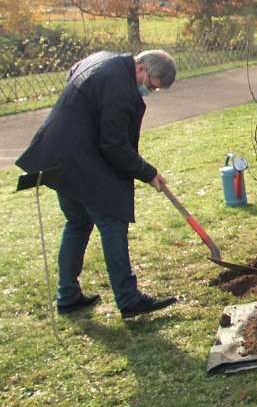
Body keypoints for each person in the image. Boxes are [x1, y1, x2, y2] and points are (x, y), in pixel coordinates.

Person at [16, 50, 178, 319]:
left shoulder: (103, 59)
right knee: (113, 222)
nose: (147, 91)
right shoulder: (121, 90)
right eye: (150, 86)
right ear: (141, 68)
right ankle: (129, 299)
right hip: (80, 161)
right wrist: (148, 172)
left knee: (77, 223)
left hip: (58, 156)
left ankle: (67, 295)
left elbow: (74, 73)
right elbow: (114, 144)